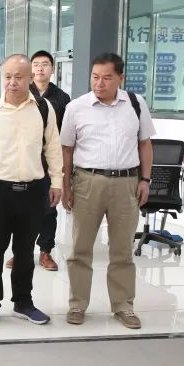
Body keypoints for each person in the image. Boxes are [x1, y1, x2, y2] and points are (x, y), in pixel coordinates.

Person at [0, 54, 63, 327]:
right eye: (7, 76)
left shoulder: (43, 108)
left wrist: (57, 182)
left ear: (30, 78)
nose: (12, 82)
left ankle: (23, 302)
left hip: (33, 190)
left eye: (19, 77)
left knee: (24, 253)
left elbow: (53, 148)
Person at [60, 52, 155, 329]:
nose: (99, 83)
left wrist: (145, 180)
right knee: (80, 248)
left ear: (120, 78)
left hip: (127, 184)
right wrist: (65, 186)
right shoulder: (76, 107)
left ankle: (123, 306)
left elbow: (145, 144)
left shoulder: (135, 104)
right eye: (95, 77)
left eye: (106, 78)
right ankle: (77, 304)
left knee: (122, 249)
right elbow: (66, 150)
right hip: (87, 182)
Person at [6, 50, 71, 272]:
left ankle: (45, 251)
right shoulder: (20, 92)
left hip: (49, 162)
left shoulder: (62, 98)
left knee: (48, 209)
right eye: (36, 64)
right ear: (30, 70)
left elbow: (64, 136)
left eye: (45, 64)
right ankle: (20, 252)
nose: (40, 68)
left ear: (52, 69)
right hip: (23, 161)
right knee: (19, 210)